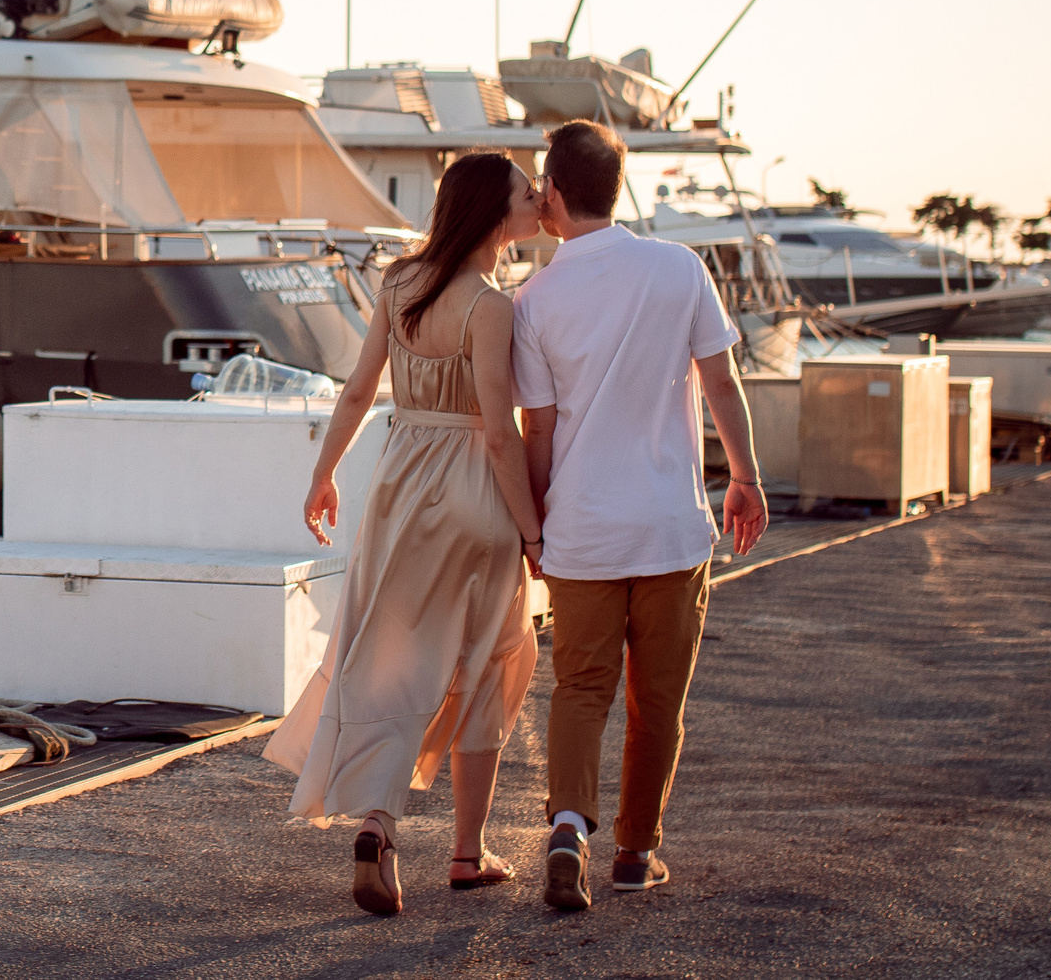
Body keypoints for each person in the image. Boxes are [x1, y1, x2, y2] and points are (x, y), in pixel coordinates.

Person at [267, 151, 548, 916]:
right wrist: (532, 532)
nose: (537, 200)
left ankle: (378, 821)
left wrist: (323, 474)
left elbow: (359, 389)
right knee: (488, 659)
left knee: (393, 657)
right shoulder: (492, 306)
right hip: (475, 493)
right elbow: (499, 433)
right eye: (528, 193)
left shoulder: (399, 283)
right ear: (496, 213)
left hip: (401, 483)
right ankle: (467, 852)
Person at [513, 119, 767, 911]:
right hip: (669, 527)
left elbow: (540, 428)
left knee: (580, 688)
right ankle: (635, 850)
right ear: (616, 187)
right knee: (659, 700)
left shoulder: (534, 297)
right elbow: (721, 383)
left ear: (553, 190)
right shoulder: (678, 267)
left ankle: (566, 828)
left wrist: (538, 523)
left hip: (583, 531)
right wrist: (746, 478)